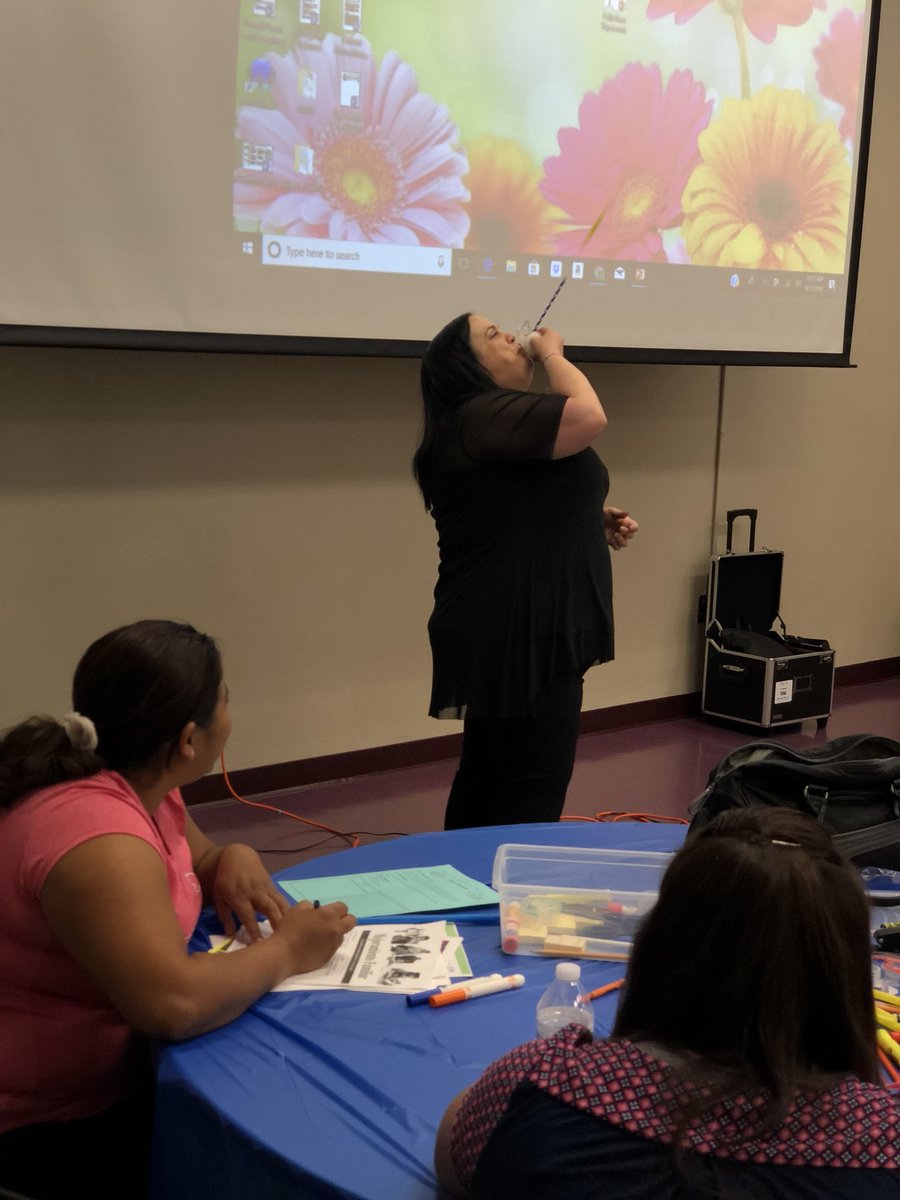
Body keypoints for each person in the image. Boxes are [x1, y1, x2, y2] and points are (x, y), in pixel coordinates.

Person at [0, 619, 356, 1200]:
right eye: (225, 702)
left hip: (111, 1084)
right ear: (190, 740)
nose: (230, 715)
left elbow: (196, 856)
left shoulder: (143, 783)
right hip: (44, 1127)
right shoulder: (98, 835)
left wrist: (230, 855)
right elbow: (172, 1003)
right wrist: (289, 949)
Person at [435, 808, 899, 1199]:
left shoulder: (540, 1083)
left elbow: (455, 1156)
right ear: (843, 968)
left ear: (662, 943)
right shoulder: (882, 1143)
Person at [413, 313, 637, 830]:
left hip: (523, 627)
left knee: (491, 779)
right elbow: (588, 417)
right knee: (528, 794)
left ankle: (462, 892)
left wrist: (589, 517)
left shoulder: (490, 421)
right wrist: (554, 353)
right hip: (519, 633)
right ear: (466, 366)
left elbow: (511, 502)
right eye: (493, 336)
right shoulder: (478, 414)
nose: (513, 338)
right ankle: (499, 901)